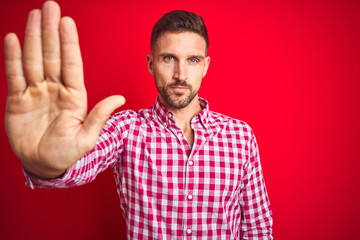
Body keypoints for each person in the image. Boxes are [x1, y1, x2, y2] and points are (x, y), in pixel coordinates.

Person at [4, 1, 273, 239]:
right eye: (169, 58)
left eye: (192, 60)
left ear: (205, 65)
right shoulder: (126, 129)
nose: (181, 73)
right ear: (150, 63)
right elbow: (78, 166)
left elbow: (257, 228)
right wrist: (46, 164)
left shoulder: (240, 135)